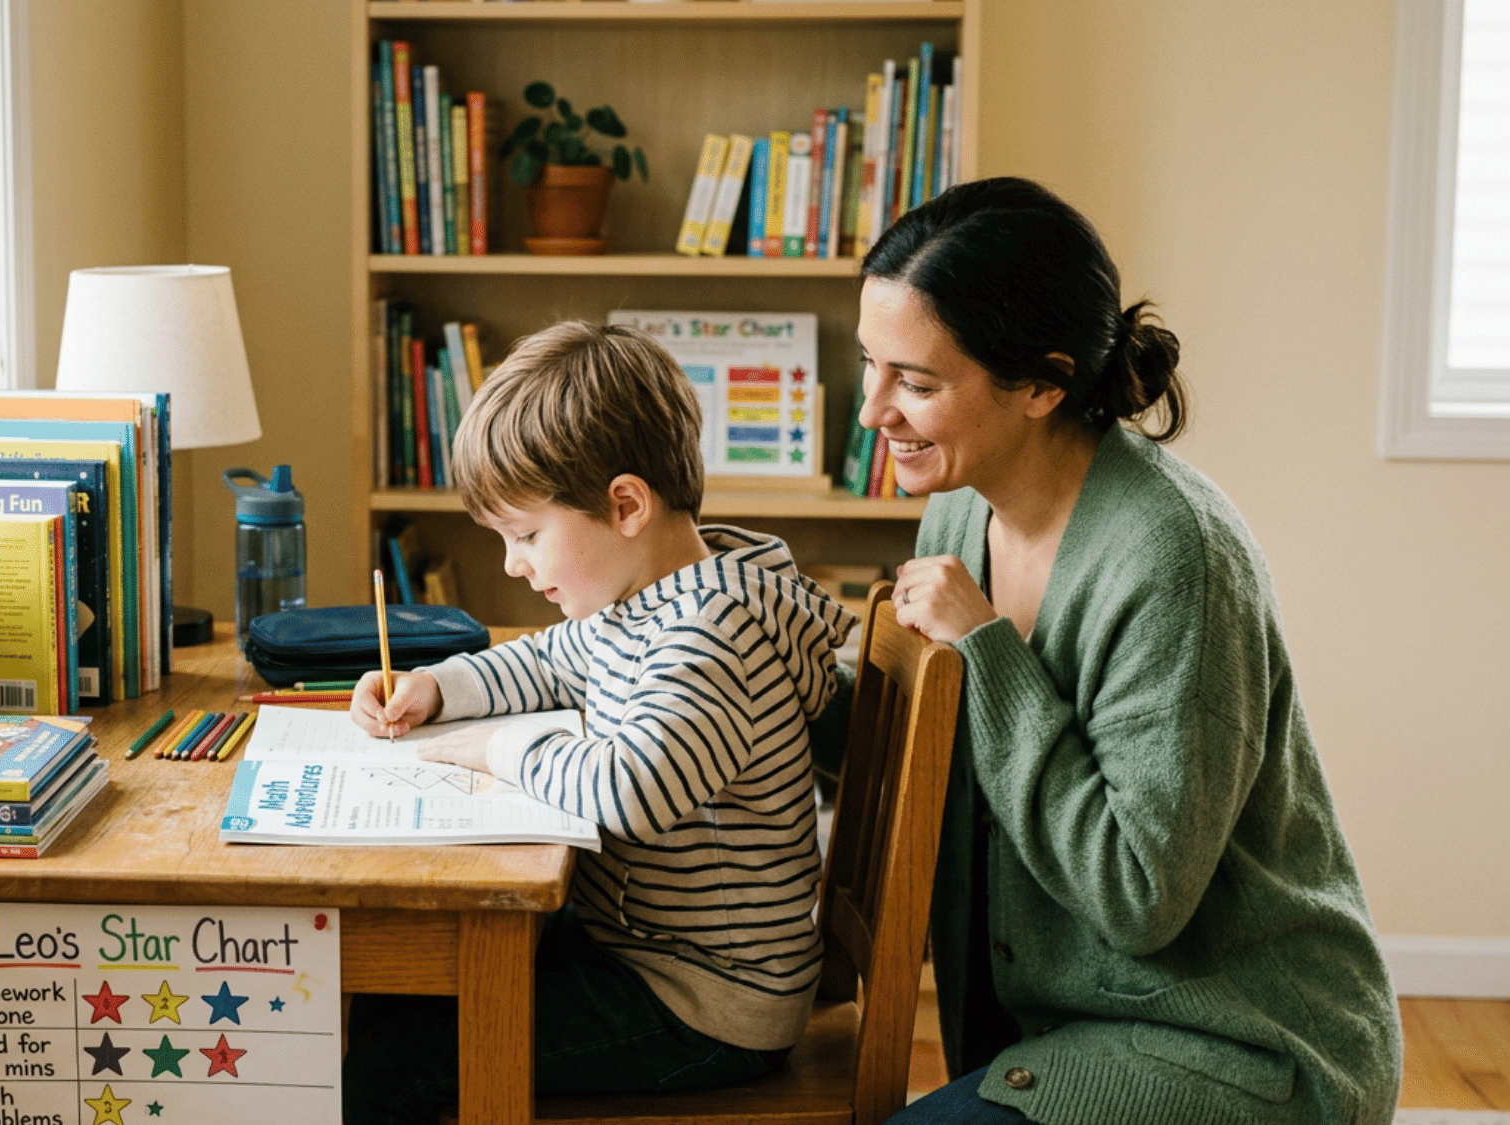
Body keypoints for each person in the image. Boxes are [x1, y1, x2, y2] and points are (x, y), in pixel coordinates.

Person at [856, 177, 1401, 1124]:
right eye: (871, 366)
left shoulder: (1171, 554)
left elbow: (1139, 893)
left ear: (1041, 383)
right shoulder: (959, 507)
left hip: (1239, 1040)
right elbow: (922, 742)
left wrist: (987, 648)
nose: (873, 412)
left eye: (916, 381)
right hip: (1063, 1031)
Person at [342, 320, 856, 1125]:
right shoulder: (653, 595)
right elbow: (548, 661)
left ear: (625, 505)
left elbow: (629, 789)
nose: (515, 564)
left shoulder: (711, 630)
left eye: (528, 535)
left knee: (393, 1060)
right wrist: (435, 688)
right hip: (648, 951)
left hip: (704, 1000)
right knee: (390, 990)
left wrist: (494, 746)